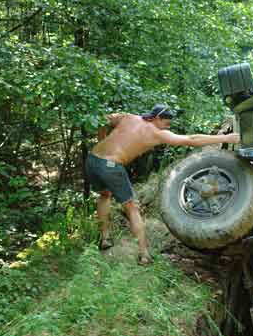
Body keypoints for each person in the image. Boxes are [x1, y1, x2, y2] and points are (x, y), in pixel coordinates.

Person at [85, 104, 240, 265]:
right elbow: (191, 139)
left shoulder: (128, 117)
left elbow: (104, 119)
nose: (168, 127)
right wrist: (225, 138)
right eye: (166, 123)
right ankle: (144, 255)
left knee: (104, 195)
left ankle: (105, 238)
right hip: (111, 166)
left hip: (92, 160)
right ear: (157, 118)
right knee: (131, 207)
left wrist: (101, 139)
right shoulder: (157, 133)